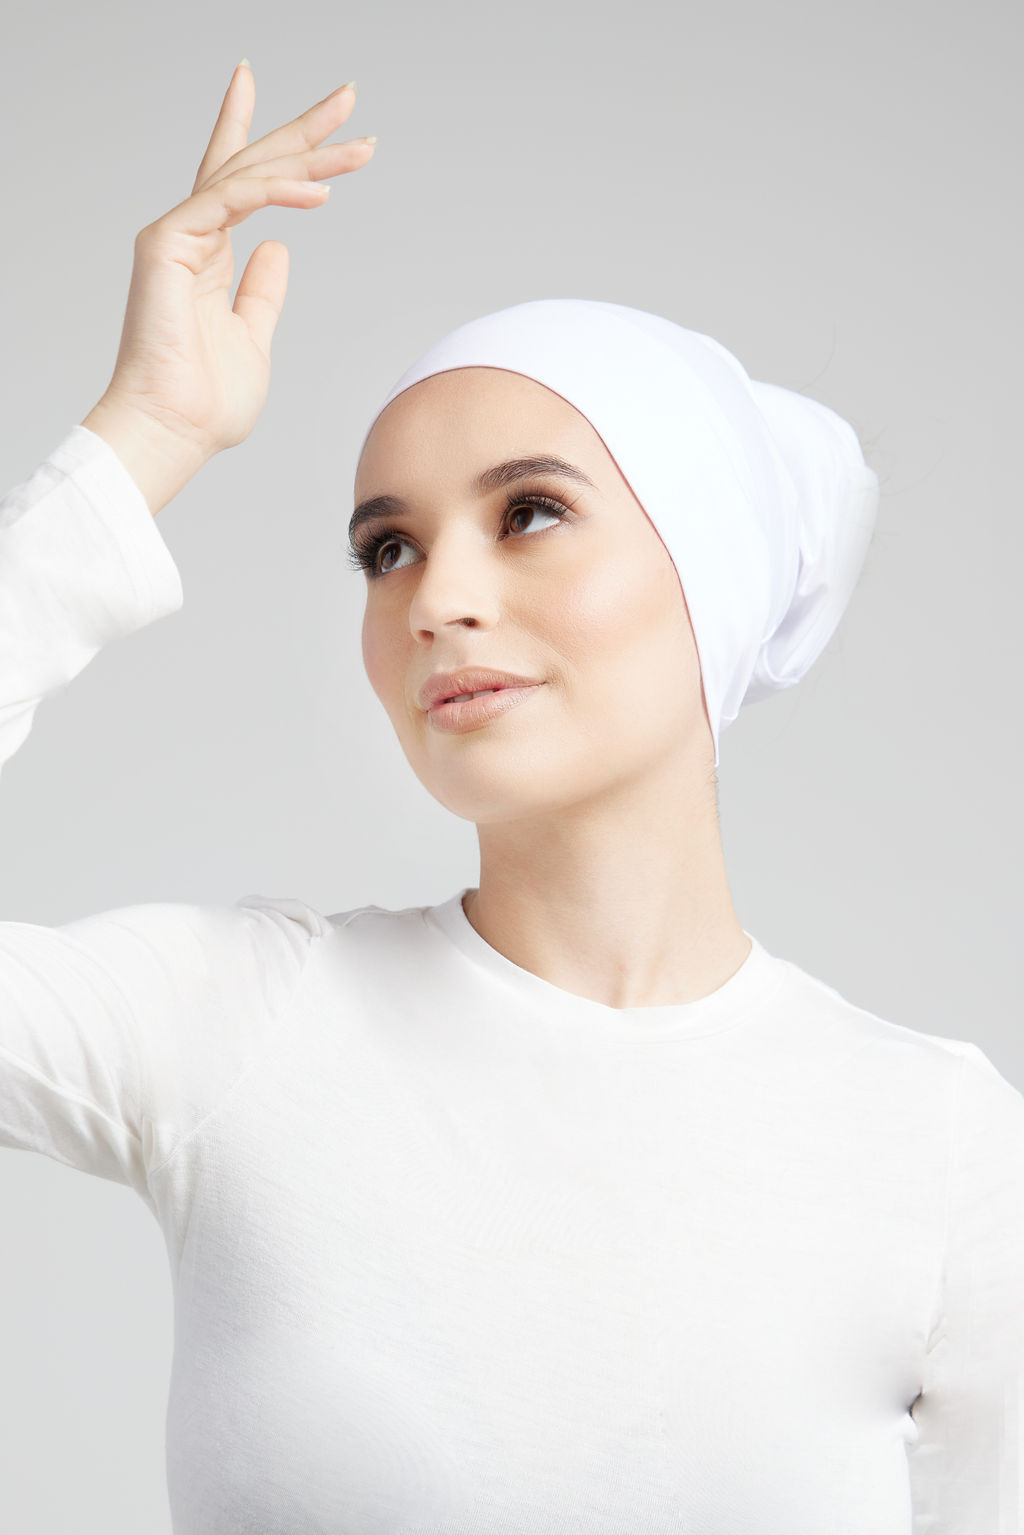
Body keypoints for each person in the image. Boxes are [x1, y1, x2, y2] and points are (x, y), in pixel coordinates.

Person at [2, 59, 1022, 1535]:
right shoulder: (237, 1023)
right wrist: (146, 435)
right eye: (389, 549)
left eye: (530, 512)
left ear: (711, 572)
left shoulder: (943, 1147)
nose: (437, 600)